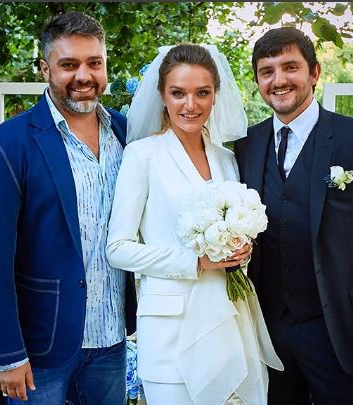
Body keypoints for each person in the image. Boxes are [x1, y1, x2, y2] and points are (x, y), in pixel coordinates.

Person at [0, 11, 137, 404]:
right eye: (69, 65)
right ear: (45, 69)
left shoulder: (127, 134)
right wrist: (8, 354)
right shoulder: (7, 145)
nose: (84, 76)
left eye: (94, 63)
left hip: (111, 339)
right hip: (40, 347)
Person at [234, 27, 353, 404]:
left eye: (290, 67)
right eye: (267, 71)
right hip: (269, 331)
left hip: (339, 330)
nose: (279, 80)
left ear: (314, 72)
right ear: (258, 81)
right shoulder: (246, 144)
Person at [106, 44, 283, 405]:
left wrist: (241, 249)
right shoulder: (142, 156)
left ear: (215, 95)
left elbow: (237, 231)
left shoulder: (228, 159)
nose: (191, 104)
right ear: (162, 95)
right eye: (178, 93)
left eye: (202, 92)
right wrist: (195, 261)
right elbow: (118, 250)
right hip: (170, 332)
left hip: (226, 324)